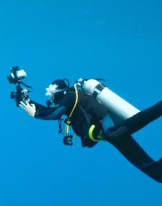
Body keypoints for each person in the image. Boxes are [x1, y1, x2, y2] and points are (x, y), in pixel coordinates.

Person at [10, 68, 162, 182]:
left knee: (118, 131)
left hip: (108, 128)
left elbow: (54, 113)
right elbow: (48, 110)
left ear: (59, 90)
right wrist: (24, 100)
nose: (49, 96)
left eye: (51, 92)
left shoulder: (70, 96)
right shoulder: (69, 106)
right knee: (153, 171)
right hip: (108, 135)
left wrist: (35, 114)